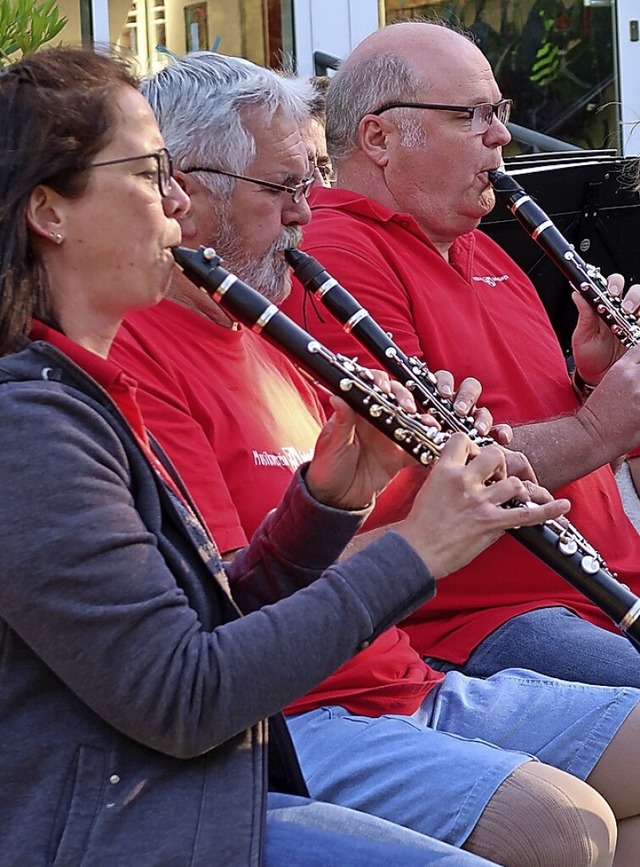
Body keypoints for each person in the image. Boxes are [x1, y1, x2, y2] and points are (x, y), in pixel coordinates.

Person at [0, 44, 547, 867]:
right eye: (151, 173)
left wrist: (328, 499)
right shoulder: (29, 427)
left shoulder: (77, 392)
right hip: (125, 829)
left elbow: (215, 613)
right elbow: (185, 693)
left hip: (193, 793)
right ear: (50, 211)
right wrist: (416, 549)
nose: (180, 202)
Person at [108, 51, 640, 867]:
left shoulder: (274, 337)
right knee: (562, 828)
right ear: (186, 189)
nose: (305, 215)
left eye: (311, 182)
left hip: (394, 675)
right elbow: (227, 610)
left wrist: (428, 464)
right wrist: (425, 530)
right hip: (310, 706)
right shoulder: (147, 356)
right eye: (285, 188)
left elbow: (337, 517)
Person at [279, 19, 640, 691]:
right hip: (484, 616)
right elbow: (419, 467)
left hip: (605, 581)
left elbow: (559, 444)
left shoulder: (486, 246)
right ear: (379, 137)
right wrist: (601, 427)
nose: (501, 135)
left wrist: (595, 382)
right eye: (470, 115)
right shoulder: (334, 252)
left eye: (498, 113)